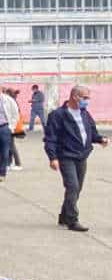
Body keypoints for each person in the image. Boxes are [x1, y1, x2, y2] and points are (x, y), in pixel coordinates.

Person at [43, 84, 107, 233]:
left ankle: (64, 215)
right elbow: (50, 138)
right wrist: (52, 157)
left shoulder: (85, 114)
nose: (87, 101)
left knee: (77, 189)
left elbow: (92, 133)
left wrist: (100, 139)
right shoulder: (58, 115)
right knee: (72, 186)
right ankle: (72, 220)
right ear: (74, 96)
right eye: (85, 98)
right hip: (66, 156)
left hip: (82, 156)